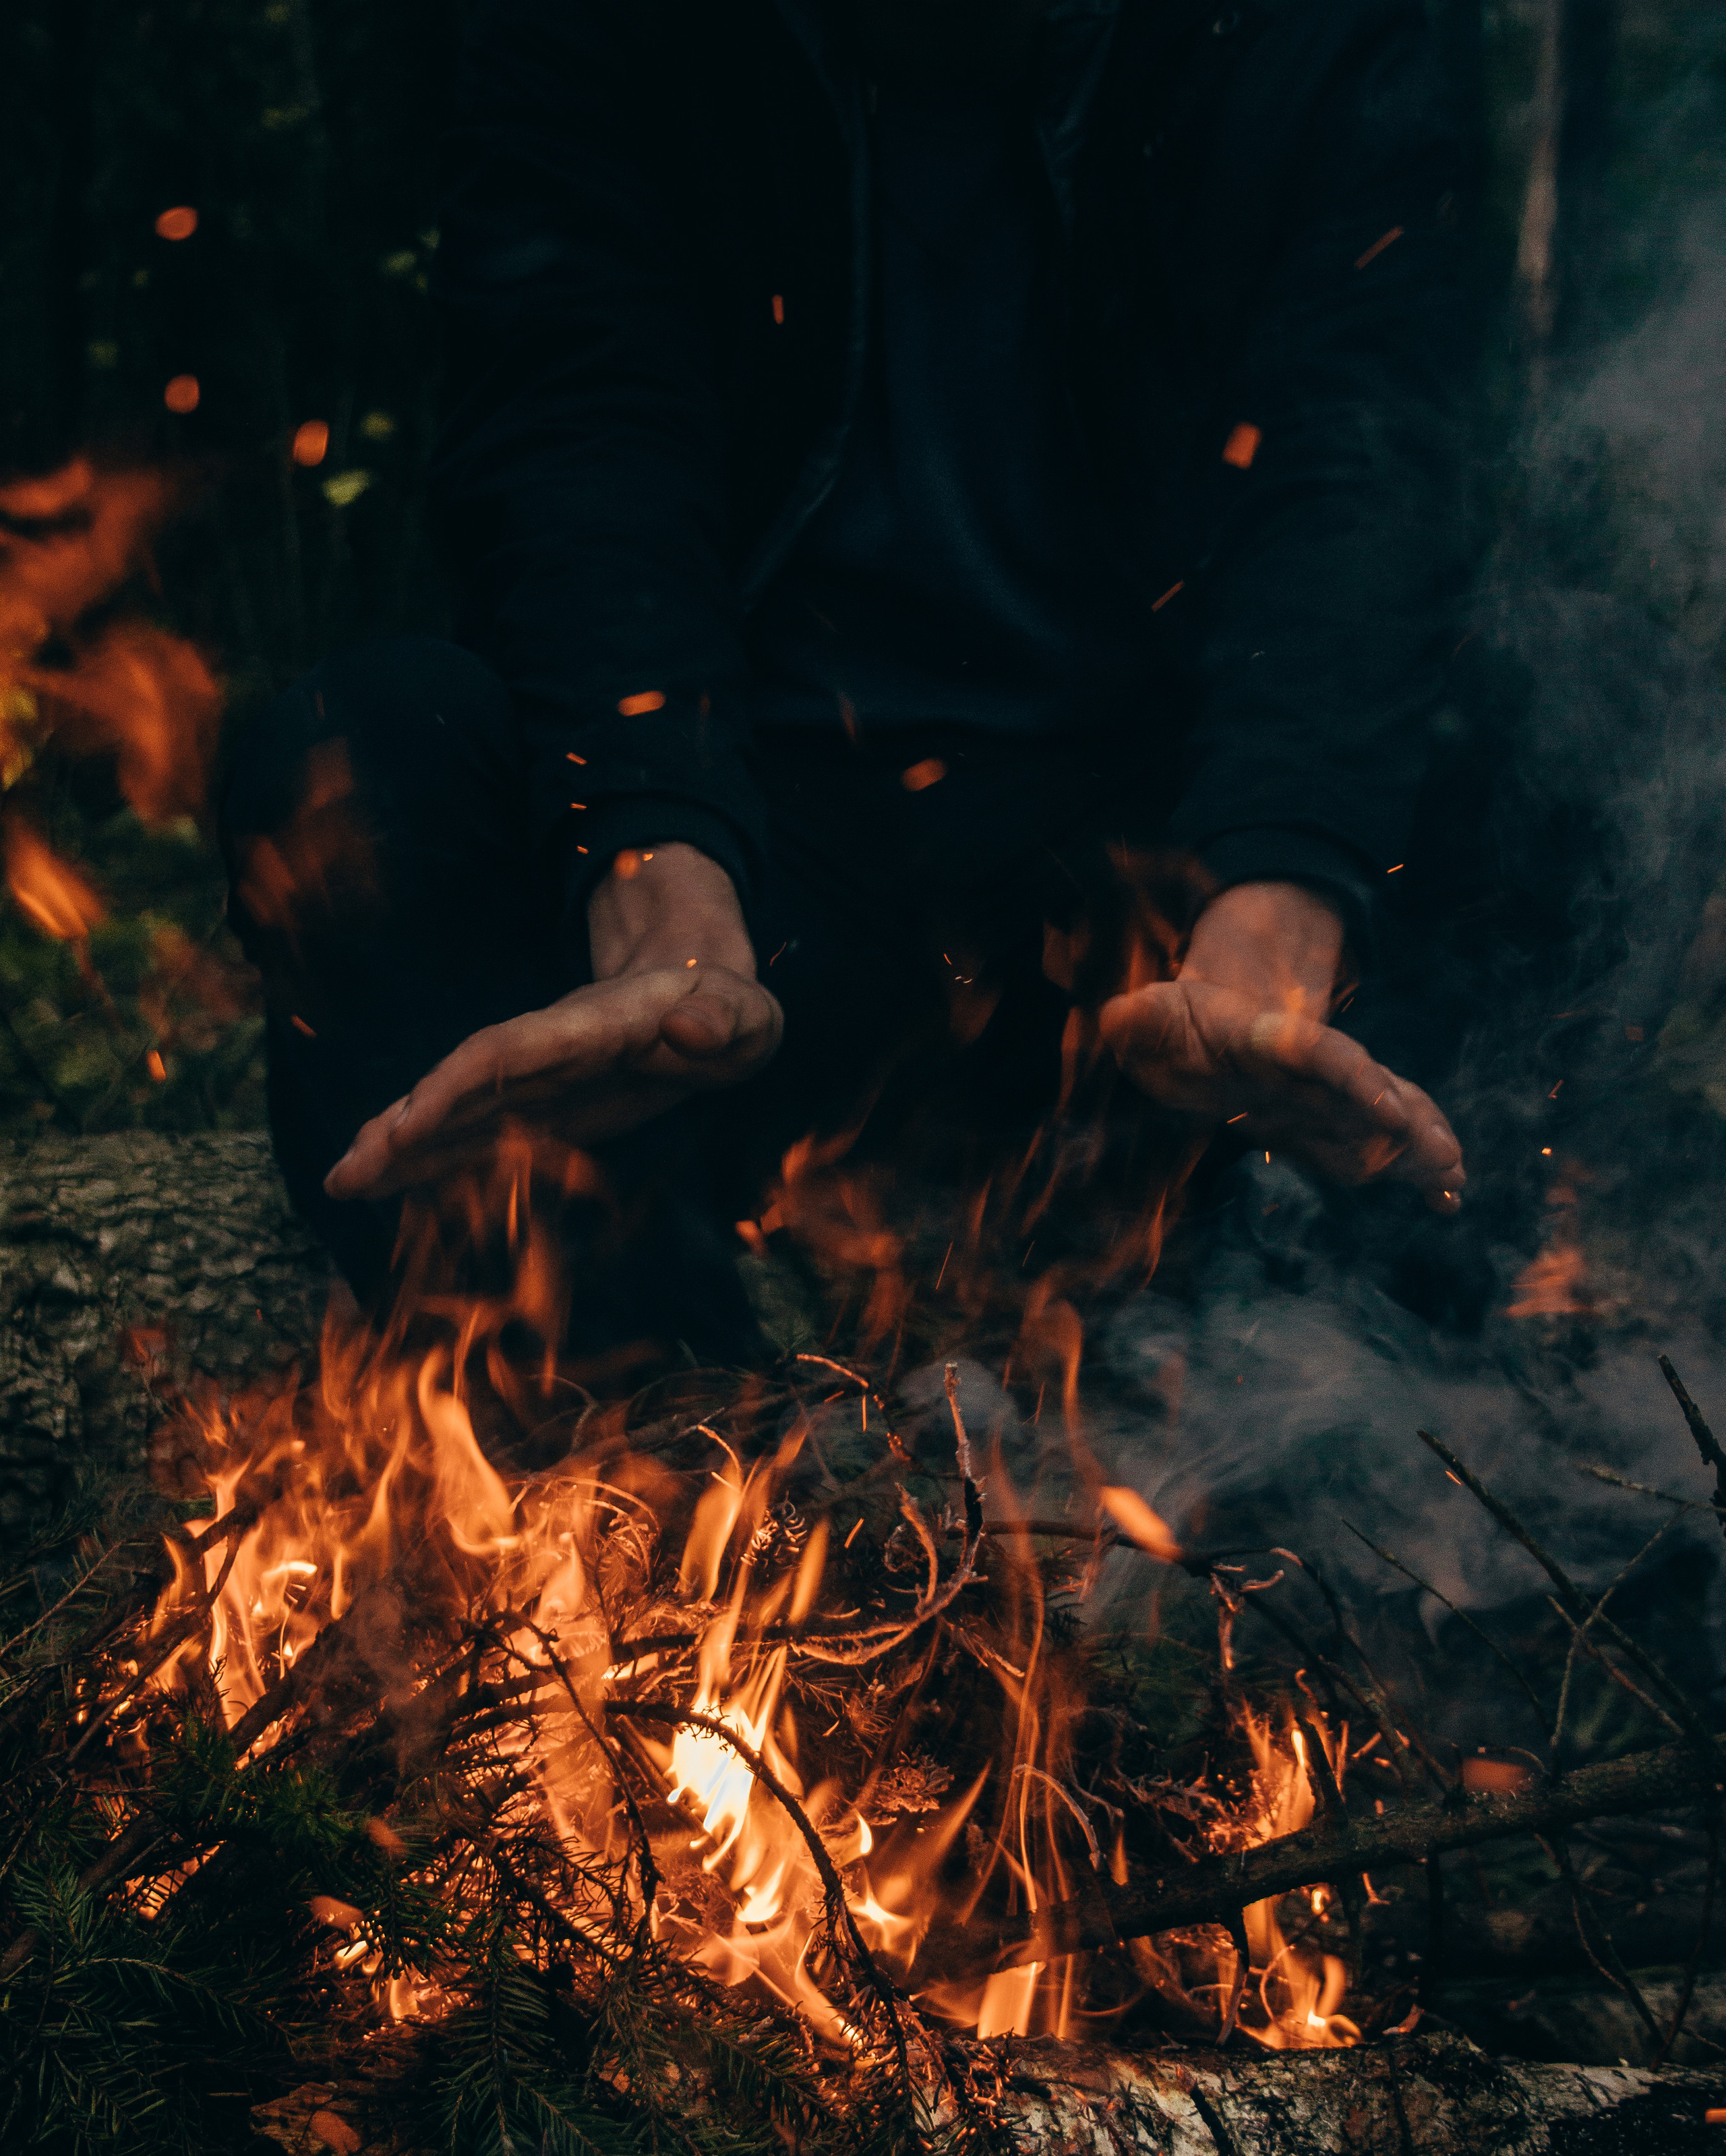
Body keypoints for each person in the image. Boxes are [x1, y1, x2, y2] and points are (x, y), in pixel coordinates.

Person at [224, 0, 1473, 1360]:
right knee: (356, 760)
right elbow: (577, 427)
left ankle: (1331, 1416)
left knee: (1559, 758)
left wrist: (1270, 920)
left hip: (1153, 920)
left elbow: (1360, 452)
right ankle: (645, 1433)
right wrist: (657, 882)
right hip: (767, 881)